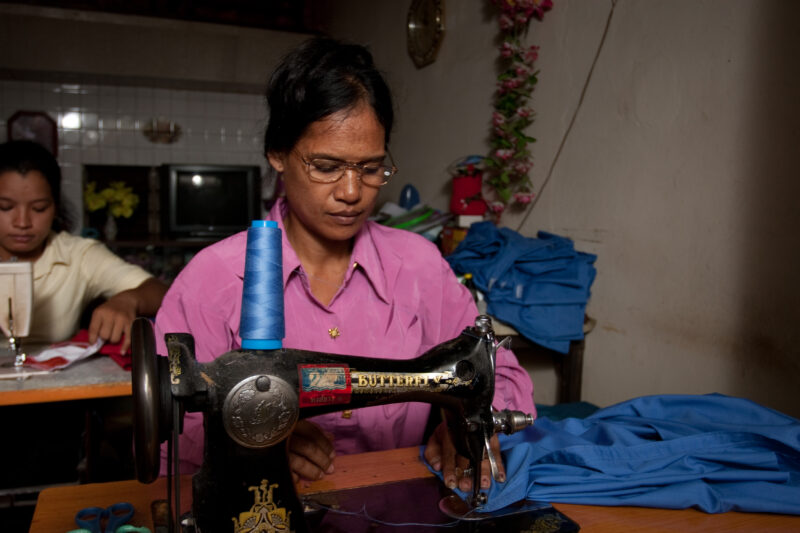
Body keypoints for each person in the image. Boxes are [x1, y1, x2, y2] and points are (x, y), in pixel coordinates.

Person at [154, 37, 536, 493]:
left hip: (395, 498)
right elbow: (171, 428)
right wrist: (246, 440)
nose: (352, 192)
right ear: (277, 153)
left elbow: (502, 372)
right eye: (327, 166)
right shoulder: (214, 280)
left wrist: (466, 427)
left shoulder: (417, 267)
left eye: (371, 168)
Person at [0, 140, 167, 353]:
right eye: (5, 207)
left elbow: (163, 292)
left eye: (39, 208)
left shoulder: (78, 255)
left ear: (55, 207)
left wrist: (129, 300)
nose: (22, 222)